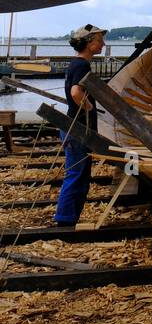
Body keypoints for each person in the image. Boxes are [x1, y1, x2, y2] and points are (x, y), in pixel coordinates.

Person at [54, 23, 106, 228]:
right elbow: (76, 93)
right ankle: (65, 220)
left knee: (79, 173)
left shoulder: (75, 64)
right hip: (76, 130)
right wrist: (89, 107)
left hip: (73, 128)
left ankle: (68, 218)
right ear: (89, 43)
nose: (102, 44)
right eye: (99, 41)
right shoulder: (81, 65)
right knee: (76, 174)